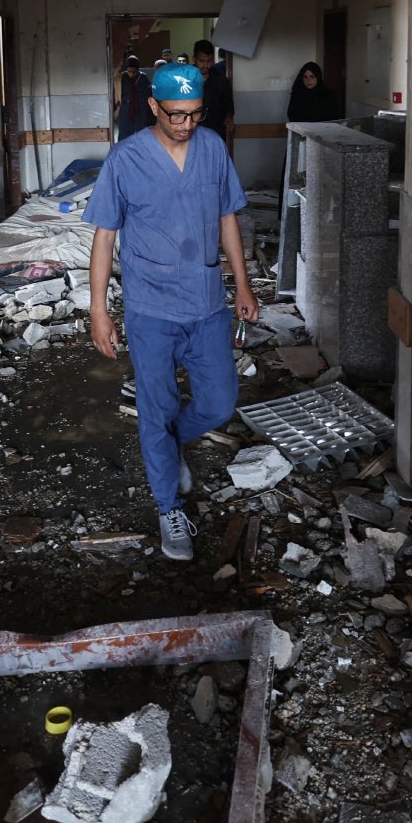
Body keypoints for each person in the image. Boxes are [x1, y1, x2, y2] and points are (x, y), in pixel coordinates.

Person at [85, 63, 259, 561]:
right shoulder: (126, 159)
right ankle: (167, 508)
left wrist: (241, 285)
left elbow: (227, 218)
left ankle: (170, 443)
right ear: (154, 107)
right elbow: (104, 238)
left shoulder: (211, 150)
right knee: (154, 410)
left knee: (219, 403)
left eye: (196, 114)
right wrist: (98, 310)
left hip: (206, 304)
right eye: (177, 115)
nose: (187, 124)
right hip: (151, 309)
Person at [193, 39, 235, 154]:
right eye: (201, 61)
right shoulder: (187, 78)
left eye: (209, 61)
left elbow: (229, 105)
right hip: (192, 131)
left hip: (216, 130)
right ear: (194, 59)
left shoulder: (220, 79)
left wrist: (229, 117)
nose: (205, 65)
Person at [115, 54, 151, 139]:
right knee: (124, 133)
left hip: (140, 111)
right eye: (129, 71)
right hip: (125, 111)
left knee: (140, 134)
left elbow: (148, 93)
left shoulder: (143, 78)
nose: (131, 74)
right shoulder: (122, 78)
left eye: (134, 72)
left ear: (138, 70)